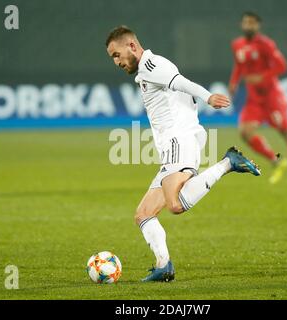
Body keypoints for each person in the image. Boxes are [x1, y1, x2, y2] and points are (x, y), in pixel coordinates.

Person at [105, 25, 261, 282]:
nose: (117, 62)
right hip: (173, 147)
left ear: (132, 46)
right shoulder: (146, 70)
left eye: (117, 54)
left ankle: (228, 163)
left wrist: (208, 97)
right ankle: (163, 265)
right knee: (143, 214)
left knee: (175, 204)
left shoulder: (153, 65)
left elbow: (183, 84)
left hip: (179, 142)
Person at [228, 12, 287, 188]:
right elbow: (239, 66)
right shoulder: (237, 45)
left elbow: (282, 65)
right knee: (245, 132)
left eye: (252, 23)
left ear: (258, 26)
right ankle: (276, 161)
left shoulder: (266, 44)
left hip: (272, 97)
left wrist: (262, 77)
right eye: (245, 22)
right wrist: (234, 83)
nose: (248, 26)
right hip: (254, 99)